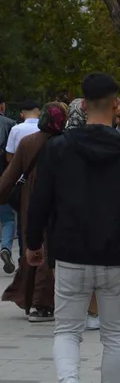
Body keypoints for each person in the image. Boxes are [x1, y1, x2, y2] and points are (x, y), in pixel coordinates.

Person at [25, 74, 120, 383]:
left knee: (67, 331)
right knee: (114, 335)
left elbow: (41, 200)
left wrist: (33, 243)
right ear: (116, 104)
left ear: (81, 103)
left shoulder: (59, 148)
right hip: (115, 258)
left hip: (70, 253)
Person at [0, 102, 66, 322]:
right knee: (48, 248)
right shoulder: (65, 143)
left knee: (33, 247)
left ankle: (30, 298)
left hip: (30, 200)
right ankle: (42, 303)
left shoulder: (28, 142)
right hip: (58, 202)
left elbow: (10, 175)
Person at [0, 94, 16, 274]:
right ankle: (5, 247)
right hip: (3, 179)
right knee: (7, 219)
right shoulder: (10, 124)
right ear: (2, 106)